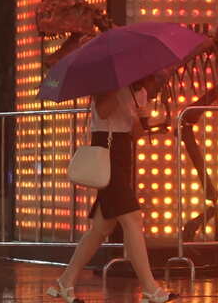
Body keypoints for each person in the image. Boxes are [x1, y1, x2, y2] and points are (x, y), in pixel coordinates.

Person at [47, 74, 179, 303]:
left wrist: (141, 117)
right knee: (133, 219)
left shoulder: (140, 92)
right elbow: (103, 111)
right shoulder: (108, 83)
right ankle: (150, 289)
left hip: (122, 153)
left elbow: (136, 133)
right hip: (105, 149)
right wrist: (118, 87)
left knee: (101, 227)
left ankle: (64, 282)